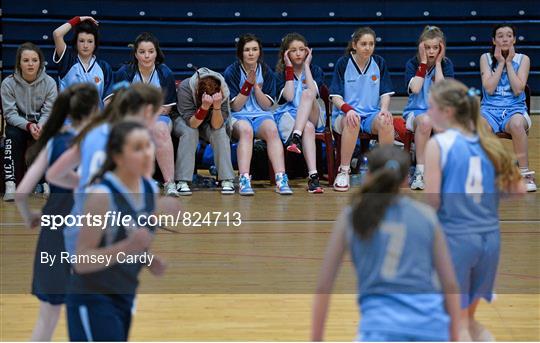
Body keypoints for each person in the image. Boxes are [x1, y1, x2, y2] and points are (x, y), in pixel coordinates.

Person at [312, 145, 460, 341]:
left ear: (368, 175)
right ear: (407, 179)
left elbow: (324, 287)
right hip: (431, 329)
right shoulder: (427, 217)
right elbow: (450, 284)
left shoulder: (352, 216)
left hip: (379, 331)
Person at [424, 79, 526, 340]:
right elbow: (519, 190)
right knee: (468, 322)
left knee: (454, 326)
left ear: (447, 112)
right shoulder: (489, 144)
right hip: (489, 240)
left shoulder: (439, 144)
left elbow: (433, 201)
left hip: (456, 239)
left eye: (431, 108)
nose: (427, 114)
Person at [65, 121, 168, 341]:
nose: (147, 153)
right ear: (119, 157)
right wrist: (128, 247)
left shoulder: (150, 190)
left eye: (148, 146)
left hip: (124, 292)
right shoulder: (102, 196)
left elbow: (129, 236)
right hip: (93, 296)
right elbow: (81, 260)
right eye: (137, 148)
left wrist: (148, 260)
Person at [14, 84, 99, 341]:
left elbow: (20, 193)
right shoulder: (97, 144)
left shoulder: (54, 143)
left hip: (52, 233)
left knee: (47, 318)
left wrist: (31, 217)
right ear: (95, 110)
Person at [46, 83, 163, 256]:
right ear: (147, 111)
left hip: (77, 231)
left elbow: (54, 174)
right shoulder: (136, 143)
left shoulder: (92, 132)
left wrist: (85, 185)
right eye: (157, 114)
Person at [224, 33, 292, 195]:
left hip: (261, 115)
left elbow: (267, 105)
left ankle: (281, 178)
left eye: (254, 49)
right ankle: (244, 179)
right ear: (241, 53)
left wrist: (256, 87)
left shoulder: (266, 71)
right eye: (247, 50)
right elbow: (237, 106)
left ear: (259, 52)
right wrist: (247, 84)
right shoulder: (231, 72)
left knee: (272, 130)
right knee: (246, 131)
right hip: (238, 117)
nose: (251, 53)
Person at [330, 27, 395, 192]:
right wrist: (348, 109)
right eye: (363, 44)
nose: (368, 48)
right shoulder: (343, 63)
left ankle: (384, 173)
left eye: (371, 44)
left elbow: (385, 93)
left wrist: (385, 110)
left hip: (370, 115)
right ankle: (344, 170)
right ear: (354, 45)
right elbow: (335, 97)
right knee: (353, 121)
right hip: (344, 115)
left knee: (386, 122)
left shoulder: (379, 62)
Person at [115, 32, 179, 196]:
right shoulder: (124, 73)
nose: (146, 56)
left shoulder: (165, 73)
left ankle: (169, 183)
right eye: (142, 52)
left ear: (156, 53)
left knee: (160, 130)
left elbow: (166, 108)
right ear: (135, 54)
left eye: (150, 51)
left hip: (160, 117)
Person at [479, 23, 536, 192]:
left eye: (509, 35)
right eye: (501, 35)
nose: (505, 39)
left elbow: (519, 89)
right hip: (489, 110)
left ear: (514, 39)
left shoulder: (523, 59)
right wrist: (500, 63)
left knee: (518, 125)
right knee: (479, 127)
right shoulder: (485, 58)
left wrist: (509, 63)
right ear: (494, 40)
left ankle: (524, 173)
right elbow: (489, 88)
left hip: (514, 110)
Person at [2, 42, 58, 201]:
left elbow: (49, 111)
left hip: (41, 124)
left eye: (34, 60)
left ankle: (47, 183)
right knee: (11, 136)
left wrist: (39, 125)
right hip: (19, 124)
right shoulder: (8, 83)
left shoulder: (49, 83)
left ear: (40, 62)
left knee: (50, 135)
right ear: (19, 63)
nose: (30, 64)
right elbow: (9, 114)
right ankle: (10, 185)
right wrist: (28, 125)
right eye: (26, 60)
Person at [403, 25, 454, 190]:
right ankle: (420, 172)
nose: (431, 51)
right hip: (415, 112)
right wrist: (424, 63)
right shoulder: (412, 64)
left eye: (435, 48)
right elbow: (416, 89)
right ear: (420, 47)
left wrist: (438, 64)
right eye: (427, 48)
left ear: (441, 48)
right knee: (425, 122)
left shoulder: (446, 65)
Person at [274, 33, 326, 193]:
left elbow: (314, 93)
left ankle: (295, 137)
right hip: (289, 115)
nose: (298, 53)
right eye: (293, 50)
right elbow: (288, 96)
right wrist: (289, 68)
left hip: (312, 113)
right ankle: (313, 177)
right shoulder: (280, 74)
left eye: (301, 49)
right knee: (308, 128)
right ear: (286, 54)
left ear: (307, 52)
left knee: (307, 94)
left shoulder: (315, 70)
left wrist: (307, 67)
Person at [173, 67, 237, 195]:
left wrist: (217, 107)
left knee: (220, 133)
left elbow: (217, 125)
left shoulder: (223, 90)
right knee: (190, 132)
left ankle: (226, 179)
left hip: (209, 120)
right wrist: (204, 107)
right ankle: (182, 180)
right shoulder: (186, 87)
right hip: (186, 119)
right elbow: (192, 123)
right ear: (197, 91)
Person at [52, 15, 113, 106]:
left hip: (95, 119)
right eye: (81, 41)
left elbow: (108, 101)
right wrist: (78, 19)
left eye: (90, 41)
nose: (85, 45)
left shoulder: (104, 67)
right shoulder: (67, 61)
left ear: (95, 44)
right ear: (76, 43)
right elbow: (57, 34)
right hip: (68, 119)